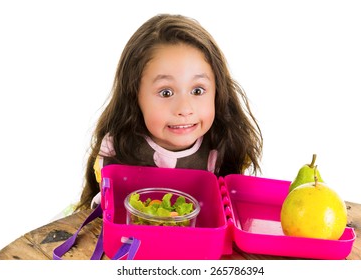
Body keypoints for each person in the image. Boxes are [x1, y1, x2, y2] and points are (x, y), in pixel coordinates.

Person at [76, 14, 263, 211]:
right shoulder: (120, 150)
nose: (184, 109)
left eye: (197, 90)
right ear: (134, 95)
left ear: (218, 92)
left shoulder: (222, 148)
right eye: (166, 92)